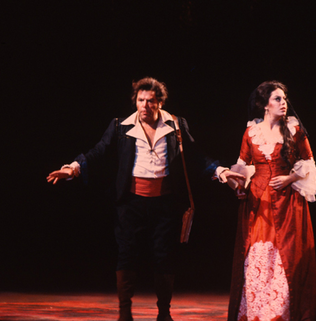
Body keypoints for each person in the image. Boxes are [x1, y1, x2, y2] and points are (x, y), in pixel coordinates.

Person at [47, 77, 242, 321]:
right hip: (131, 203)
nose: (145, 106)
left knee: (164, 255)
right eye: (141, 100)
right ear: (135, 101)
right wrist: (73, 168)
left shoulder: (176, 125)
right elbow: (99, 150)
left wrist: (219, 170)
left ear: (159, 102)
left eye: (150, 101)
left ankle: (163, 313)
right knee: (127, 253)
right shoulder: (121, 126)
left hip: (164, 203)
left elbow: (195, 154)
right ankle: (125, 313)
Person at [218, 80, 316, 320]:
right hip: (257, 203)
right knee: (258, 253)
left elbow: (310, 164)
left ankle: (282, 312)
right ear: (263, 104)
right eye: (277, 99)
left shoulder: (295, 130)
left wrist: (289, 178)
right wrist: (238, 186)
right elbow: (242, 165)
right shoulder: (251, 132)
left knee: (287, 254)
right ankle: (258, 311)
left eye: (284, 99)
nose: (283, 103)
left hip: (288, 202)